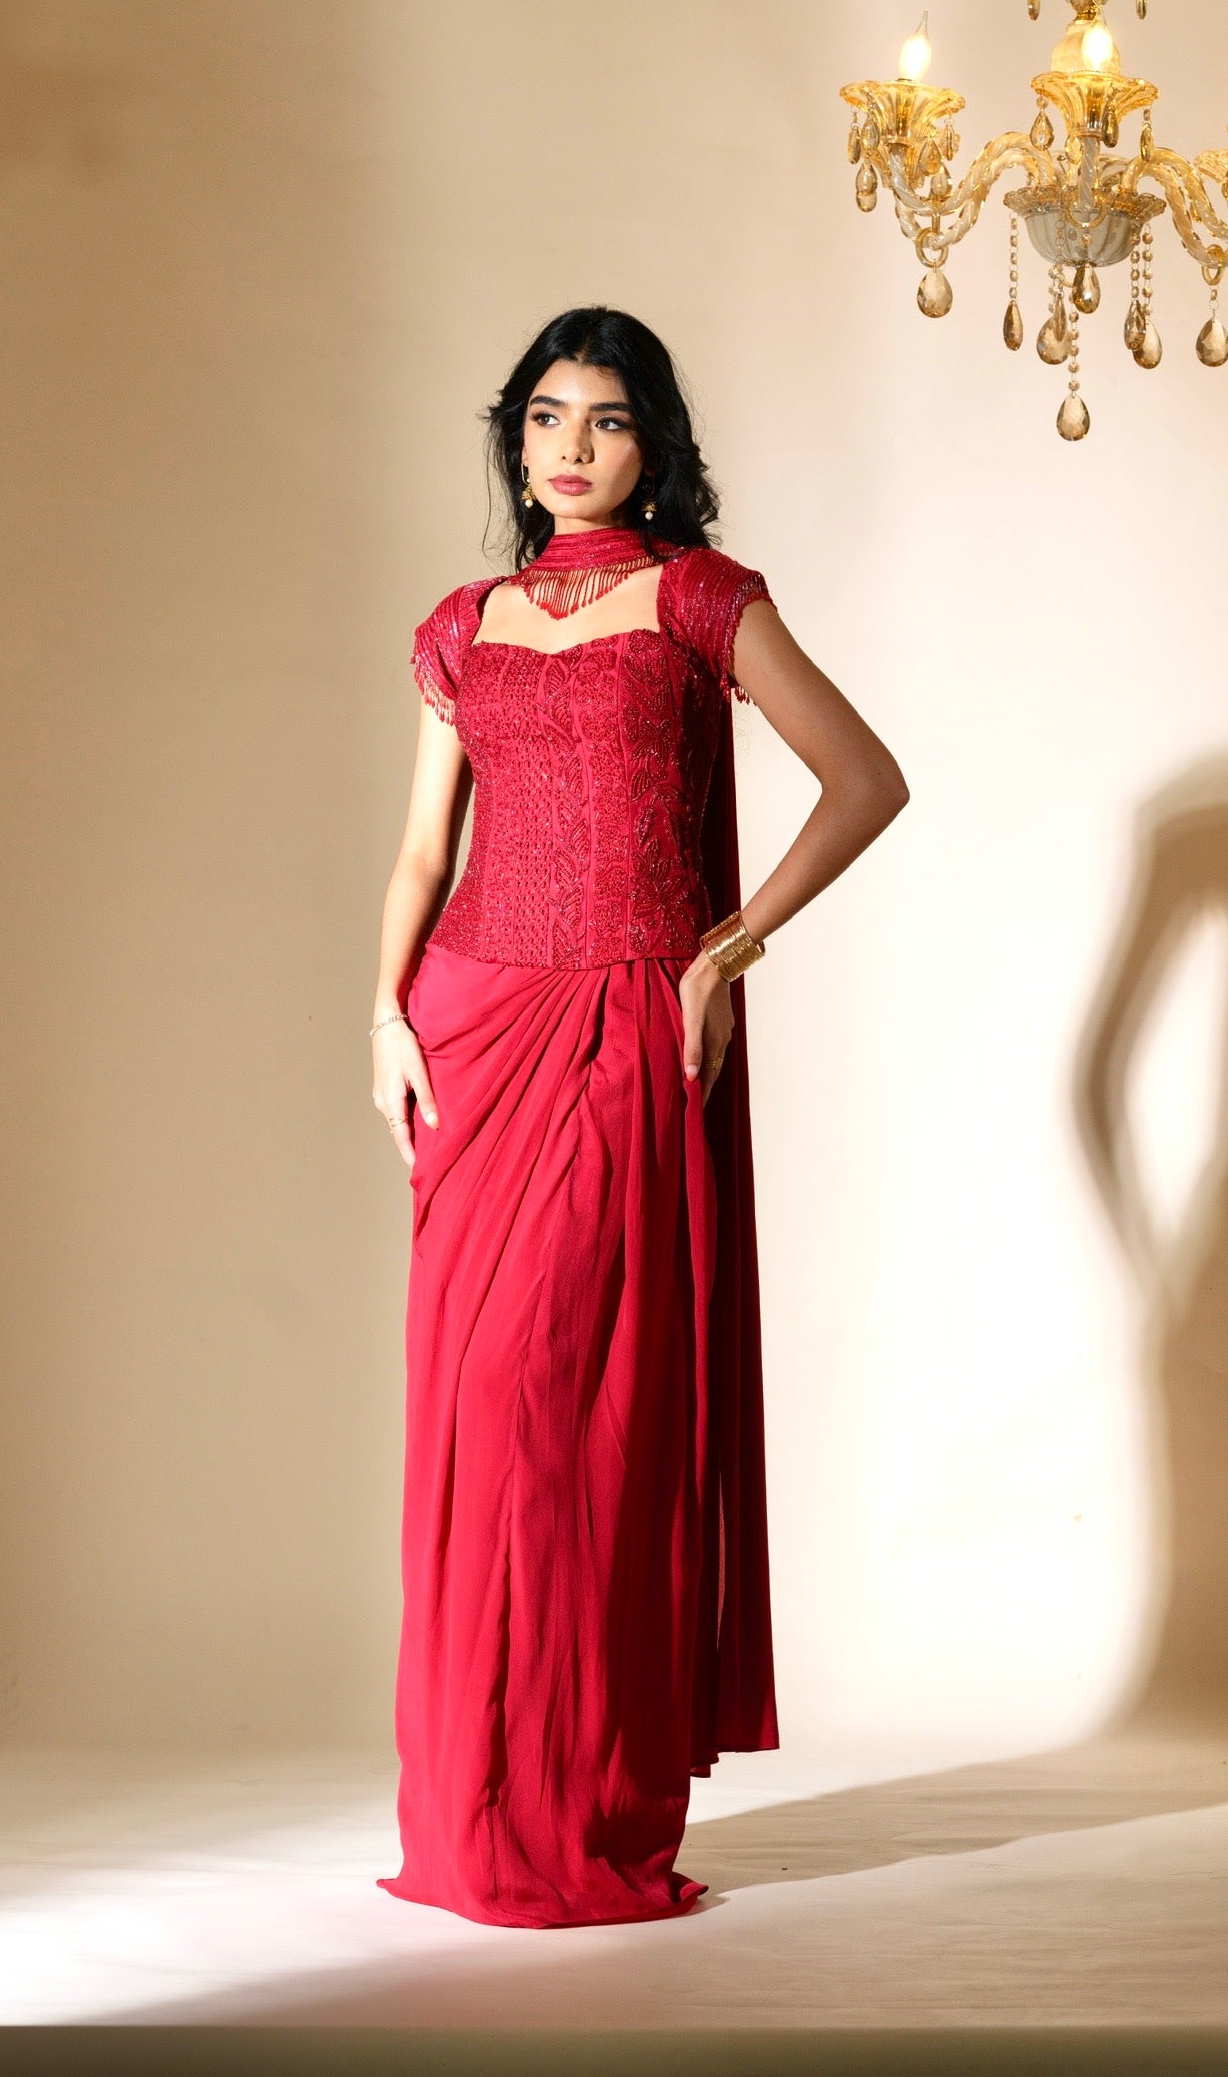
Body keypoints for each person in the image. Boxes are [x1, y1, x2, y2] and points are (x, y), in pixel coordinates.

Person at [369, 306, 909, 1927]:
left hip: (618, 1031)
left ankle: (581, 1799)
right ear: (516, 437)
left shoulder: (698, 599)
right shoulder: (459, 625)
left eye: (608, 421)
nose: (573, 446)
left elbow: (866, 778)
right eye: (547, 416)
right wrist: (379, 1016)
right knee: (473, 1422)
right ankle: (471, 1816)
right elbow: (419, 850)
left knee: (567, 1419)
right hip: (470, 1029)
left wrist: (725, 949)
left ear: (654, 446)